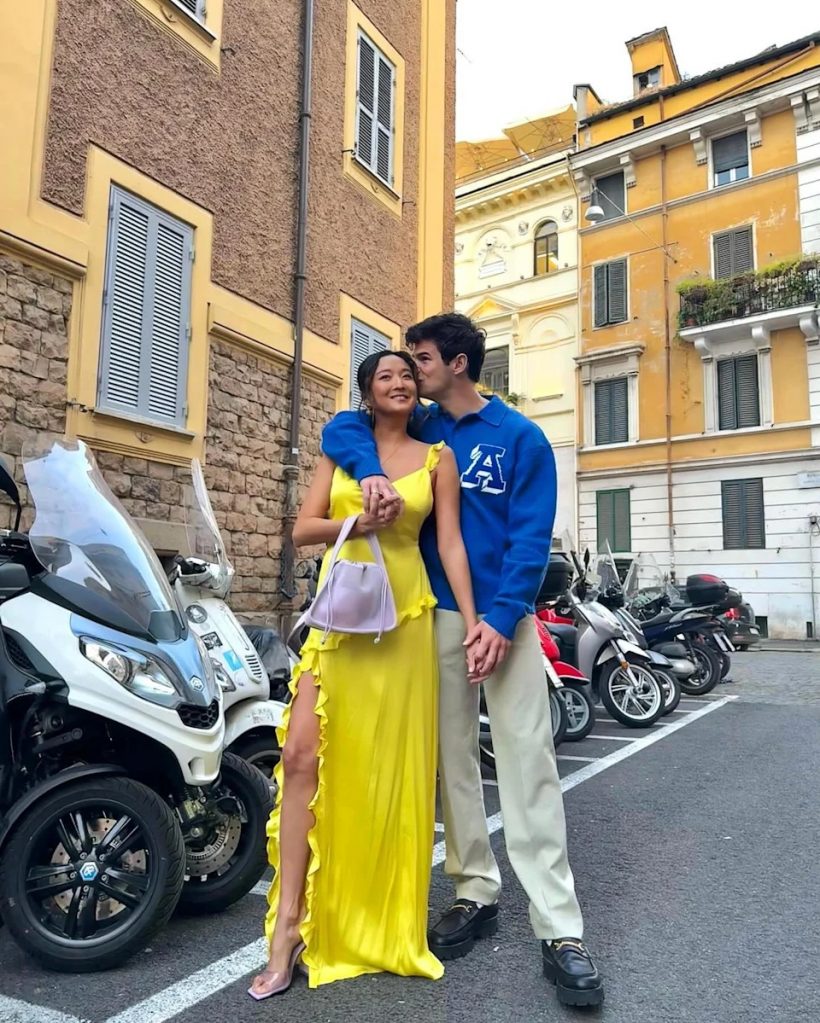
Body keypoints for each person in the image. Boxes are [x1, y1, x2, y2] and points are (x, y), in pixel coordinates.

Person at [322, 313, 604, 1008]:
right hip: (436, 614)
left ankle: (559, 928)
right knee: (453, 763)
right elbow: (343, 429)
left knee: (528, 761)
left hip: (505, 620)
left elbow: (530, 539)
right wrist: (369, 469)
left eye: (419, 359)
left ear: (455, 363)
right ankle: (475, 890)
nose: (409, 371)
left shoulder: (521, 437)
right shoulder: (421, 427)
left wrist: (501, 620)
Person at [250, 350, 477, 998]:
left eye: (407, 374)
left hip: (404, 623)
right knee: (300, 756)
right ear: (368, 393)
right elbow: (302, 529)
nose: (400, 382)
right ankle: (287, 928)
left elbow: (450, 543)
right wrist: (357, 520)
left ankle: (371, 923)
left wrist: (472, 622)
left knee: (385, 777)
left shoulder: (438, 459)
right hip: (341, 620)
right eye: (386, 376)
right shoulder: (343, 449)